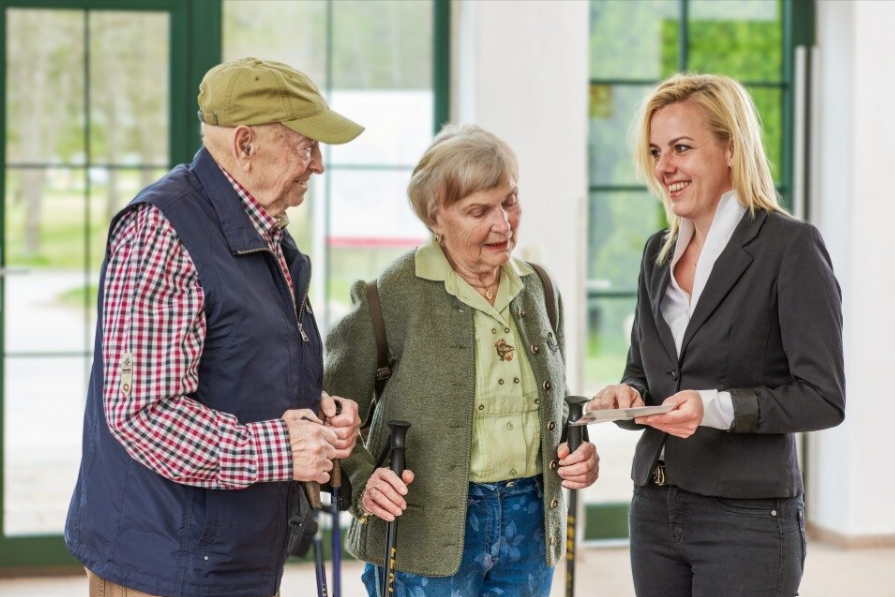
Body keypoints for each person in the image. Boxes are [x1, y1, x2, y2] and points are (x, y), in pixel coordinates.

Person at [65, 58, 364, 597]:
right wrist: (282, 448)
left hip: (228, 558)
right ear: (245, 144)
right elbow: (144, 413)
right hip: (162, 569)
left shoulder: (263, 230)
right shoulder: (163, 230)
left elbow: (235, 362)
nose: (318, 164)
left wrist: (315, 413)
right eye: (305, 144)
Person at [587, 73, 845, 597]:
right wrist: (628, 394)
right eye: (657, 151)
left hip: (746, 521)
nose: (665, 167)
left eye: (682, 148)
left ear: (731, 148)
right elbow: (643, 369)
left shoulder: (789, 246)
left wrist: (714, 407)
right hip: (655, 511)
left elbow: (823, 398)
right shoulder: (656, 253)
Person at [324, 124, 600, 597]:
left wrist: (579, 457)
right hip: (423, 531)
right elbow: (329, 410)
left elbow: (549, 412)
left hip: (531, 528)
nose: (503, 223)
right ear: (437, 217)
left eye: (510, 201)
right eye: (479, 211)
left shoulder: (540, 290)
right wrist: (364, 480)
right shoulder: (392, 294)